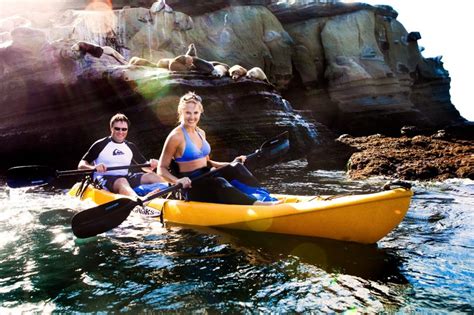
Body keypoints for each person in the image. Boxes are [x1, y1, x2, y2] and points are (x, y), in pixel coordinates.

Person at [158, 91, 282, 206]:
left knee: (237, 168)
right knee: (219, 182)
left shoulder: (201, 132)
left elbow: (207, 162)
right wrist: (178, 181)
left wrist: (230, 163)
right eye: (188, 113)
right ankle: (256, 204)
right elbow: (161, 169)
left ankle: (266, 198)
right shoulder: (176, 136)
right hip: (190, 186)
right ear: (181, 112)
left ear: (200, 112)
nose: (192, 117)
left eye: (195, 113)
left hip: (207, 176)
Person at [78, 113, 166, 198]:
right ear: (111, 128)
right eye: (117, 129)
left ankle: (174, 191)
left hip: (125, 177)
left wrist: (153, 164)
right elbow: (81, 165)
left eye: (124, 129)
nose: (121, 132)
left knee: (152, 176)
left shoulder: (130, 146)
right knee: (122, 181)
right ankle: (139, 200)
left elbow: (146, 167)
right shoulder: (100, 144)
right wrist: (93, 168)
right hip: (104, 179)